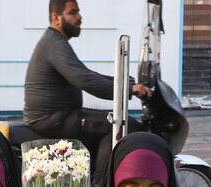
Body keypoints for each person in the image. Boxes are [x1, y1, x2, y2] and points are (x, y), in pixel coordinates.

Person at [23, 0, 150, 165]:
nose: (79, 17)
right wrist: (129, 89)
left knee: (115, 122)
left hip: (60, 116)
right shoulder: (54, 44)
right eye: (73, 12)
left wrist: (121, 81)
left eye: (78, 11)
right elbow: (85, 79)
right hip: (53, 120)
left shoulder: (55, 42)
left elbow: (84, 73)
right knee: (123, 125)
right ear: (56, 18)